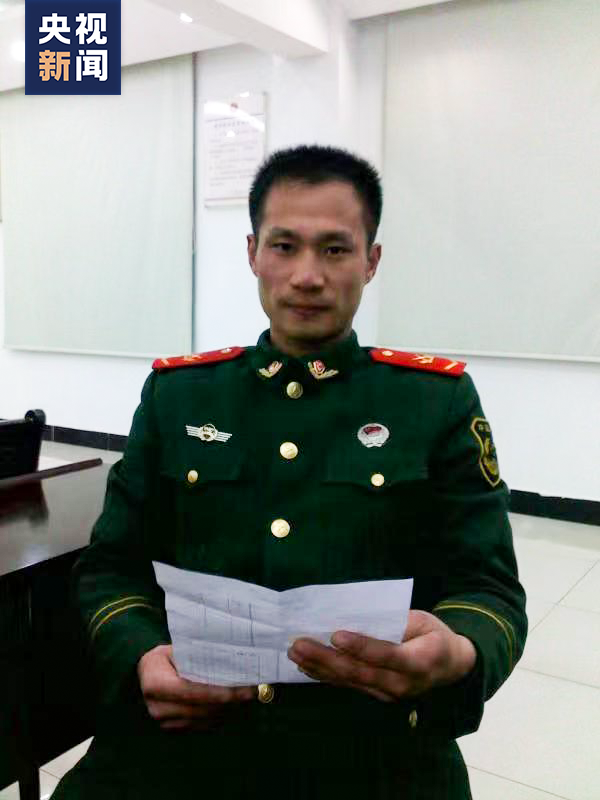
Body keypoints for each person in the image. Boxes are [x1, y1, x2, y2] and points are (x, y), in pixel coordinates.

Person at [52, 145, 527, 799]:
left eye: (335, 249)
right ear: (253, 254)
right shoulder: (179, 396)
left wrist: (460, 650)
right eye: (284, 246)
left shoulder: (433, 402)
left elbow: (490, 591)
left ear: (372, 261)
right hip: (187, 740)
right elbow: (111, 568)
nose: (307, 276)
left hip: (374, 744)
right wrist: (140, 656)